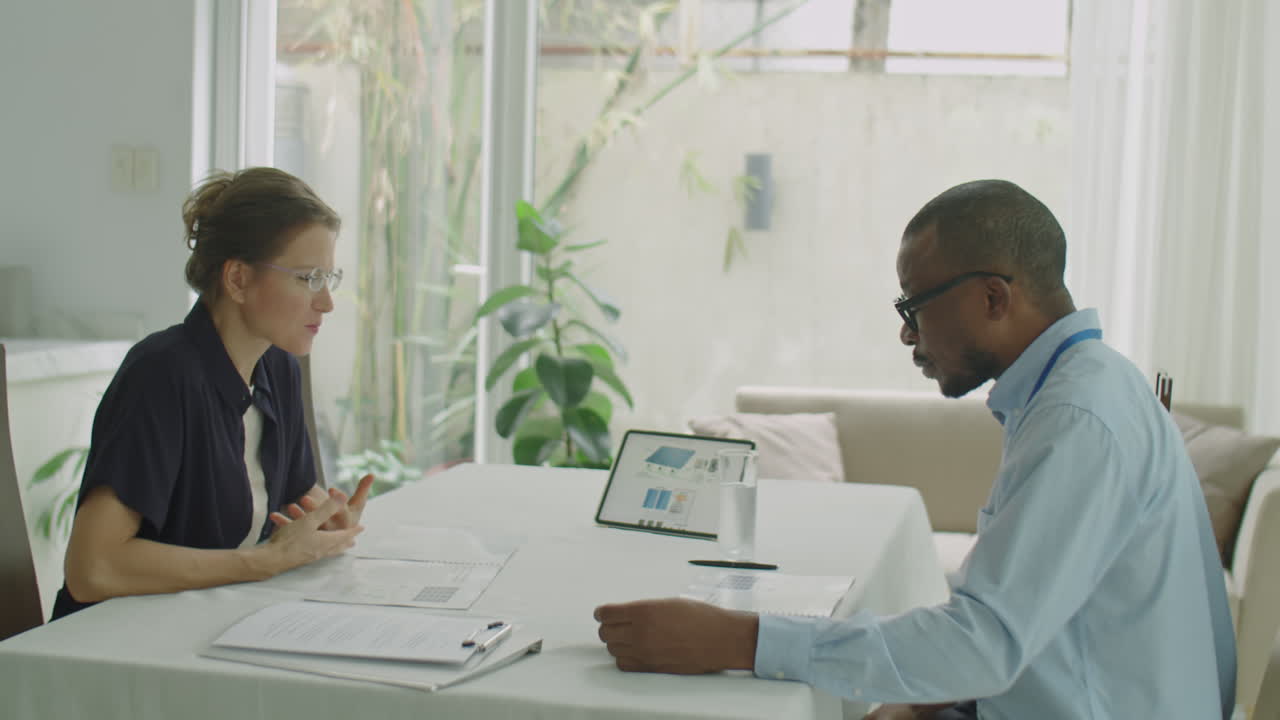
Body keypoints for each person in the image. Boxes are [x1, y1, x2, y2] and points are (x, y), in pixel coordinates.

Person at [595, 180, 1237, 719]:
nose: (907, 333)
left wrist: (740, 640)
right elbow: (1037, 615)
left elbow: (987, 642)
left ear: (993, 297)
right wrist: (935, 697)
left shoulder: (1077, 419)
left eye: (916, 305)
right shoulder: (1088, 384)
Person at [52, 167, 376, 620]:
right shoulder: (161, 374)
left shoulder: (277, 367)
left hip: (200, 628)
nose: (326, 302)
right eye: (307, 279)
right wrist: (260, 563)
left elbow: (296, 505)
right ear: (238, 279)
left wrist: (331, 526)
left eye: (329, 278)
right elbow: (93, 568)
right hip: (114, 646)